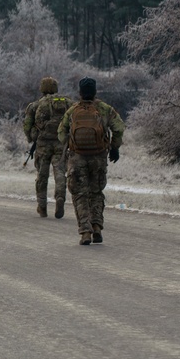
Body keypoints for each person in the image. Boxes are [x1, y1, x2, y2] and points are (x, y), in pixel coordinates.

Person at [57, 77, 125, 245]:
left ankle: (85, 232)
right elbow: (119, 127)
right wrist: (114, 147)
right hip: (99, 158)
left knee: (79, 194)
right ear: (95, 92)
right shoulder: (104, 109)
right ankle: (97, 227)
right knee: (96, 192)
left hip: (77, 157)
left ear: (80, 93)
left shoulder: (73, 110)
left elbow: (61, 132)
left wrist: (70, 144)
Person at [23, 77, 71, 218]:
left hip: (42, 144)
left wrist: (31, 138)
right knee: (60, 172)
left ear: (42, 88)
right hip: (61, 143)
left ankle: (42, 206)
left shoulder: (36, 105)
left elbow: (27, 125)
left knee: (42, 175)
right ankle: (60, 197)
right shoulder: (67, 103)